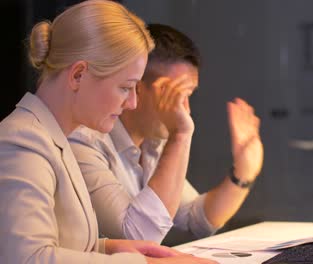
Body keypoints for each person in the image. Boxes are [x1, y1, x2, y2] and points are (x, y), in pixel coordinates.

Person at [0, 1, 215, 264]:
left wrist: (109, 248)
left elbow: (62, 242)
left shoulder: (53, 137)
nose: (132, 103)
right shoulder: (23, 140)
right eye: (126, 87)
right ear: (78, 75)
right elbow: (26, 258)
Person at [69, 24, 264, 243]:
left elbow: (194, 220)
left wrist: (243, 173)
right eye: (174, 95)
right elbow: (136, 236)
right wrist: (180, 135)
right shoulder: (85, 141)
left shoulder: (155, 144)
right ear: (135, 87)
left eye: (189, 95)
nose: (186, 110)